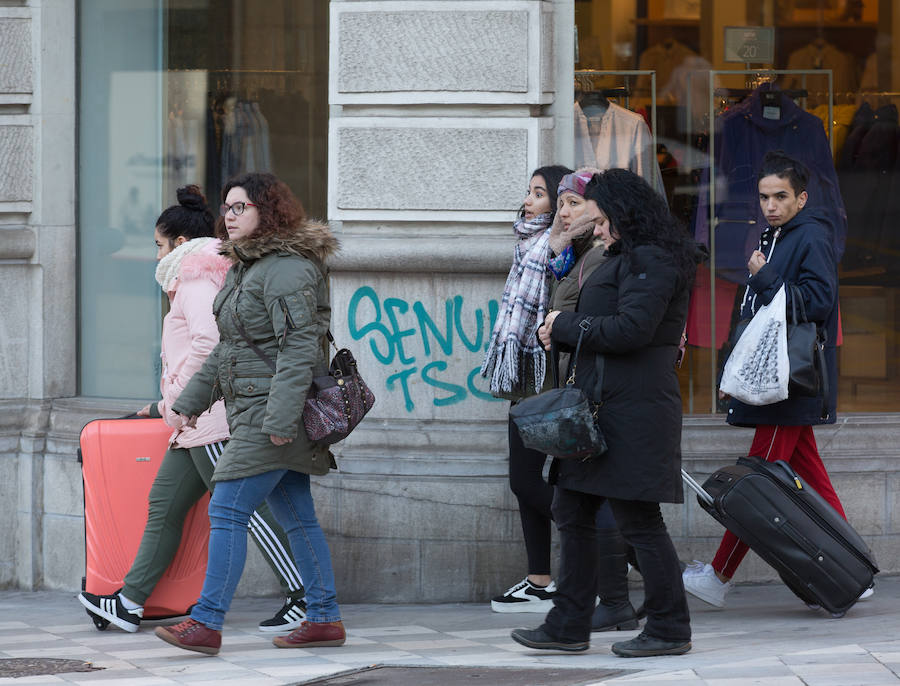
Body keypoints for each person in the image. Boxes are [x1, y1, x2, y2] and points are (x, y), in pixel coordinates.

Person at [78, 185, 308, 634]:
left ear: (179, 244)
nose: (156, 253)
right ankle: (128, 602)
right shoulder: (194, 276)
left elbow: (211, 344)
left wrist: (180, 401)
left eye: (159, 244)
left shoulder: (198, 278)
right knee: (164, 504)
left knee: (247, 513)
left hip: (211, 417)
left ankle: (306, 597)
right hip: (192, 419)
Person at [512, 168, 698, 657]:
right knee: (571, 510)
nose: (595, 230)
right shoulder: (623, 256)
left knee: (639, 521)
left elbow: (633, 329)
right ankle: (568, 623)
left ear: (624, 215)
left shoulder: (653, 259)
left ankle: (669, 628)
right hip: (598, 410)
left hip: (634, 412)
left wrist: (567, 325)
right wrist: (561, 328)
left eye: (600, 221)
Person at [153, 172, 341, 656]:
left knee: (227, 507)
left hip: (275, 412)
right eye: (227, 208)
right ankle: (323, 618)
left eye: (240, 208)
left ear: (268, 212)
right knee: (298, 517)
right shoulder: (246, 266)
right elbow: (227, 349)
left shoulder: (288, 269)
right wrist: (190, 403)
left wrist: (279, 421)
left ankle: (207, 622)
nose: (228, 217)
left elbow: (300, 348)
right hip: (254, 408)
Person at [682, 150, 872, 607]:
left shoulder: (810, 236)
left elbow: (819, 302)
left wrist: (765, 276)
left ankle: (719, 577)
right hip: (779, 379)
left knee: (759, 483)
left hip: (787, 382)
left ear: (802, 197)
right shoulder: (776, 234)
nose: (770, 204)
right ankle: (855, 569)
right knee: (810, 478)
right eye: (765, 196)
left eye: (781, 196)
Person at [482, 164, 571, 614]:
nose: (528, 200)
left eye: (539, 193)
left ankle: (612, 552)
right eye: (529, 192)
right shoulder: (527, 242)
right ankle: (540, 580)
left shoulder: (560, 244)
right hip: (523, 371)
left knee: (530, 479)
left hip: (546, 372)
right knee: (523, 480)